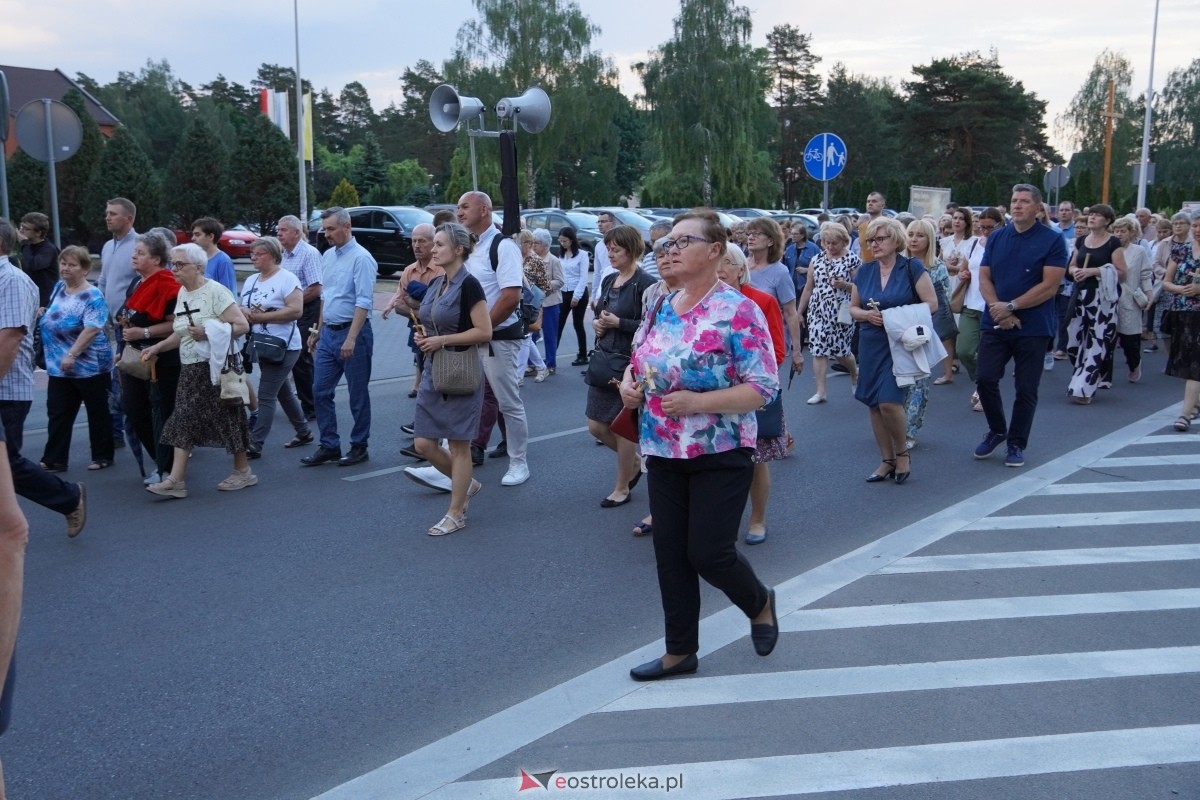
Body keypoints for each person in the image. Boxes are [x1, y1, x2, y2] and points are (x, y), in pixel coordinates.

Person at [619, 209, 779, 681]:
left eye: (681, 242)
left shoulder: (740, 309)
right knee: (670, 554)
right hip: (663, 448)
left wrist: (698, 402)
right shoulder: (660, 304)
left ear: (714, 251)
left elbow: (763, 387)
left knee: (708, 552)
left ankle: (759, 602)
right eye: (666, 243)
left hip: (720, 449)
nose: (669, 250)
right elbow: (641, 358)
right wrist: (631, 384)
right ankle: (679, 651)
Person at [142, 243, 253, 497]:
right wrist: (158, 347)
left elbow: (241, 325)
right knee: (184, 418)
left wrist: (208, 331)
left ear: (199, 267)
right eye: (173, 263)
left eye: (180, 264)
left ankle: (243, 471)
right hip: (191, 368)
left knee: (229, 417)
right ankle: (176, 480)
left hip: (216, 367)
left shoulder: (216, 292)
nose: (174, 269)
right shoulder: (183, 293)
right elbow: (182, 333)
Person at [0, 218, 88, 540]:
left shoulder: (11, 280)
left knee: (6, 463)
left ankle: (68, 497)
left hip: (6, 389)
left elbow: (9, 337)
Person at [407, 223, 493, 535]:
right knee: (423, 443)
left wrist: (441, 340)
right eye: (434, 245)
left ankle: (456, 512)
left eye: (440, 245)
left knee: (459, 445)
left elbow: (484, 332)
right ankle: (465, 483)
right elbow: (431, 321)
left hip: (459, 370)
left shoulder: (469, 285)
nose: (433, 249)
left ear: (458, 250)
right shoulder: (438, 283)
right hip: (434, 368)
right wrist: (424, 336)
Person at [974, 185, 1068, 467]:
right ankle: (997, 430)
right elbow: (984, 278)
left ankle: (1016, 443)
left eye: (1024, 202)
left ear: (1038, 208)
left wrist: (1012, 306)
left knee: (1026, 388)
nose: (1017, 206)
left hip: (1033, 327)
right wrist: (999, 310)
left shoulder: (1052, 240)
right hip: (996, 322)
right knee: (986, 378)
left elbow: (1050, 286)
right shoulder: (997, 237)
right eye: (1014, 200)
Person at [848, 217, 938, 484]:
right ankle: (886, 459)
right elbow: (853, 307)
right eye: (870, 240)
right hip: (870, 341)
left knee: (889, 401)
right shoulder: (864, 271)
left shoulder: (912, 267)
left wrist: (894, 316)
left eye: (880, 239)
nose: (874, 244)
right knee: (873, 403)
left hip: (899, 343)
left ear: (896, 240)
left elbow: (932, 304)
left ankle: (902, 454)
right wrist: (866, 315)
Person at [460, 192, 530, 486]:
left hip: (497, 338)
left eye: (465, 207)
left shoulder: (503, 246)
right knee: (466, 401)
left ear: (485, 210)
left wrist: (484, 329)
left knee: (507, 402)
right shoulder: (468, 247)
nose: (459, 213)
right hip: (471, 338)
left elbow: (511, 295)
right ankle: (455, 462)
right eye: (458, 208)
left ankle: (519, 462)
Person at [717, 244, 785, 545]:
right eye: (716, 262)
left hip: (748, 393)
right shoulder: (702, 301)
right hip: (714, 397)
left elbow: (777, 352)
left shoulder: (760, 301)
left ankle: (757, 520)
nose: (720, 269)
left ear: (741, 268)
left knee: (755, 459)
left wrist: (740, 379)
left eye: (728, 263)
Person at [586, 224, 656, 508]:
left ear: (632, 249)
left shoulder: (646, 283)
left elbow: (652, 326)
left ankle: (621, 486)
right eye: (609, 249)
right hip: (604, 358)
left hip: (629, 362)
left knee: (622, 427)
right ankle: (636, 462)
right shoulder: (609, 280)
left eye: (616, 249)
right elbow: (600, 313)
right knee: (595, 426)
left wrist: (620, 323)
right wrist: (598, 323)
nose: (611, 254)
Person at [301, 207, 376, 467]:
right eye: (325, 229)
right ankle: (329, 445)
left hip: (353, 334)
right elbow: (326, 297)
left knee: (357, 394)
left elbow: (364, 301)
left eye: (331, 228)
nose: (327, 233)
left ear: (347, 226)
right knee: (320, 391)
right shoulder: (328, 256)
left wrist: (352, 338)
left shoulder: (362, 258)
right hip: (329, 335)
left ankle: (359, 446)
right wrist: (317, 331)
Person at [37, 246, 115, 472]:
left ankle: (102, 455)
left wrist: (73, 354)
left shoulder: (93, 295)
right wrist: (45, 311)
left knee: (97, 411)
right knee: (58, 411)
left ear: (85, 269)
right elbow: (55, 310)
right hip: (58, 365)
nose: (65, 268)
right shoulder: (59, 287)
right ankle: (55, 458)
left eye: (72, 265)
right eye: (63, 263)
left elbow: (92, 328)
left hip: (89, 365)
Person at [239, 237, 311, 457]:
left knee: (266, 394)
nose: (253, 257)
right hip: (261, 344)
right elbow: (242, 305)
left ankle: (256, 442)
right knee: (283, 392)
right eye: (251, 253)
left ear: (272, 255)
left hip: (284, 345)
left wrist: (263, 317)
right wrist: (244, 312)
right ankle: (304, 431)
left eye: (258, 254)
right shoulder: (251, 280)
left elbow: (296, 311)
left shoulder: (287, 279)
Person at [1064, 204, 1126, 404]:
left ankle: (1084, 389)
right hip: (1080, 296)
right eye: (1091, 214)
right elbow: (1072, 265)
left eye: (1098, 215)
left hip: (1102, 298)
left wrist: (1094, 271)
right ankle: (1084, 377)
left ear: (1107, 221)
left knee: (1096, 342)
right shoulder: (1081, 240)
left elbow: (1122, 272)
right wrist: (1075, 272)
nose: (1092, 218)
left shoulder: (1113, 243)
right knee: (1074, 341)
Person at [903, 219, 955, 449]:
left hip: (924, 331)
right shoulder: (898, 264)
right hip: (898, 330)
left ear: (929, 240)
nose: (914, 239)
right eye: (911, 234)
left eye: (920, 235)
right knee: (897, 383)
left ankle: (910, 430)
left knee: (918, 384)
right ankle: (895, 425)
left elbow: (942, 303)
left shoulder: (937, 268)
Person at [798, 221, 860, 404]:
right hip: (818, 309)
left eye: (834, 243)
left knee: (841, 351)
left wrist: (845, 285)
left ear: (844, 241)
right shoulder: (816, 259)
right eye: (827, 243)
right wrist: (799, 312)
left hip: (842, 311)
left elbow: (860, 288)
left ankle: (854, 372)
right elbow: (809, 288)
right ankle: (820, 392)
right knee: (818, 350)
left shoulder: (853, 259)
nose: (830, 247)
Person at [97, 198, 139, 449]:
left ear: (129, 219)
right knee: (116, 376)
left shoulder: (140, 245)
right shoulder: (106, 246)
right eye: (107, 213)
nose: (108, 217)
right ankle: (117, 430)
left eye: (113, 213)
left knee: (126, 377)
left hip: (132, 326)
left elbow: (144, 282)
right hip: (113, 323)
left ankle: (131, 430)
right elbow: (103, 282)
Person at [953, 208, 1003, 410]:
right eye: (981, 227)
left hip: (992, 306)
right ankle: (981, 382)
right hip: (971, 304)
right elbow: (963, 269)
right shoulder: (974, 243)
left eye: (990, 227)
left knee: (986, 354)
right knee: (963, 350)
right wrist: (963, 274)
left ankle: (983, 391)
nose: (985, 231)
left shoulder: (1003, 245)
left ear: (1000, 225)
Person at [383, 223, 440, 399]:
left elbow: (440, 307)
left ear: (434, 243)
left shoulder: (442, 269)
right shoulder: (409, 270)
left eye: (422, 241)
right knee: (421, 362)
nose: (416, 245)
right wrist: (419, 307)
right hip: (417, 329)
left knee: (439, 371)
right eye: (414, 241)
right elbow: (399, 304)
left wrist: (412, 303)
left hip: (439, 332)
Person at [745, 217, 805, 380]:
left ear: (771, 241)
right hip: (741, 337)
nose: (750, 237)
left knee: (763, 387)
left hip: (769, 339)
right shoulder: (740, 268)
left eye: (757, 234)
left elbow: (791, 313)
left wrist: (796, 351)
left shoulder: (780, 272)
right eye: (749, 233)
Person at [276, 215, 323, 420]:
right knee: (286, 355)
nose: (279, 233)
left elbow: (315, 288)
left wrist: (292, 303)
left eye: (284, 230)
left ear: (297, 232)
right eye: (278, 230)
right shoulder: (283, 254)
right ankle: (293, 400)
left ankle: (311, 406)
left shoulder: (309, 253)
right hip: (287, 311)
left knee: (301, 357)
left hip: (306, 309)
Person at [1162, 214, 1200, 432]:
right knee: (1187, 362)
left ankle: (1185, 414)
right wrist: (1180, 289)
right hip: (1182, 312)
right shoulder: (1180, 250)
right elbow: (1166, 282)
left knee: (1195, 362)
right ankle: (1195, 402)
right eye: (1194, 226)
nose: (1197, 230)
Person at [1111, 217, 1155, 383]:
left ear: (1131, 233)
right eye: (1116, 231)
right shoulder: (1109, 249)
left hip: (1130, 299)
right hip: (1109, 300)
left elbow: (1145, 274)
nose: (1119, 234)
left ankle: (1134, 364)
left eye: (1123, 231)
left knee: (1130, 342)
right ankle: (1104, 376)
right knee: (1107, 341)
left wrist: (1149, 294)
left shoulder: (1138, 251)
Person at [1148, 212, 1193, 353]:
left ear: (1189, 226)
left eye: (1181, 223)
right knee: (1163, 327)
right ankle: (1170, 358)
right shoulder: (1165, 243)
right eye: (1175, 223)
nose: (1178, 226)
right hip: (1165, 289)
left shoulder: (1194, 243)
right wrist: (1168, 274)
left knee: (1187, 327)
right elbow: (1155, 264)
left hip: (1188, 290)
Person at [515, 230, 551, 385]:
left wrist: (537, 304)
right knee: (526, 338)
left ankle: (518, 376)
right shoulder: (517, 258)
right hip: (518, 303)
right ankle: (541, 367)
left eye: (520, 243)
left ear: (527, 243)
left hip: (530, 304)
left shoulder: (535, 260)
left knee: (524, 337)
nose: (516, 246)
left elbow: (545, 286)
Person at [531, 229, 565, 377]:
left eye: (536, 243)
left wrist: (544, 285)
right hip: (533, 304)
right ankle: (532, 363)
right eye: (533, 243)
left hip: (550, 303)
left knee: (550, 335)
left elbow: (560, 281)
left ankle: (550, 363)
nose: (534, 246)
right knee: (530, 336)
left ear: (545, 245)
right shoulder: (531, 259)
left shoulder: (553, 260)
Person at [558, 226, 591, 367]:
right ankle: (551, 355)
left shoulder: (582, 255)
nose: (562, 244)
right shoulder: (561, 255)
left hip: (578, 292)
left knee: (578, 324)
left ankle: (582, 355)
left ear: (571, 240)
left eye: (565, 241)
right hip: (563, 292)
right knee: (558, 324)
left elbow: (583, 277)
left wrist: (576, 296)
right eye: (560, 241)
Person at [17, 212, 59, 307]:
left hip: (44, 302)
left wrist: (24, 243)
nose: (21, 231)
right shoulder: (28, 247)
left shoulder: (48, 249)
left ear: (38, 232)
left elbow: (32, 265)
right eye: (21, 227)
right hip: (29, 299)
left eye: (26, 229)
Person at [190, 217, 237, 294]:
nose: (193, 238)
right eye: (193, 235)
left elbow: (228, 292)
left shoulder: (223, 261)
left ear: (211, 236)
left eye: (197, 235)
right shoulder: (196, 259)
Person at [783, 222, 820, 297]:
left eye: (796, 234)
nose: (793, 236)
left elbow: (821, 267)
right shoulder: (789, 249)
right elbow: (785, 268)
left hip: (807, 285)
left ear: (802, 235)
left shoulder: (814, 248)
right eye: (792, 233)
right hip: (792, 286)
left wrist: (806, 270)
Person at [589, 211, 616, 308]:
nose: (600, 224)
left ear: (613, 223)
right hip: (603, 288)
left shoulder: (621, 243)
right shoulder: (599, 246)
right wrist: (593, 297)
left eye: (604, 221)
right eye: (598, 222)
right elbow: (597, 273)